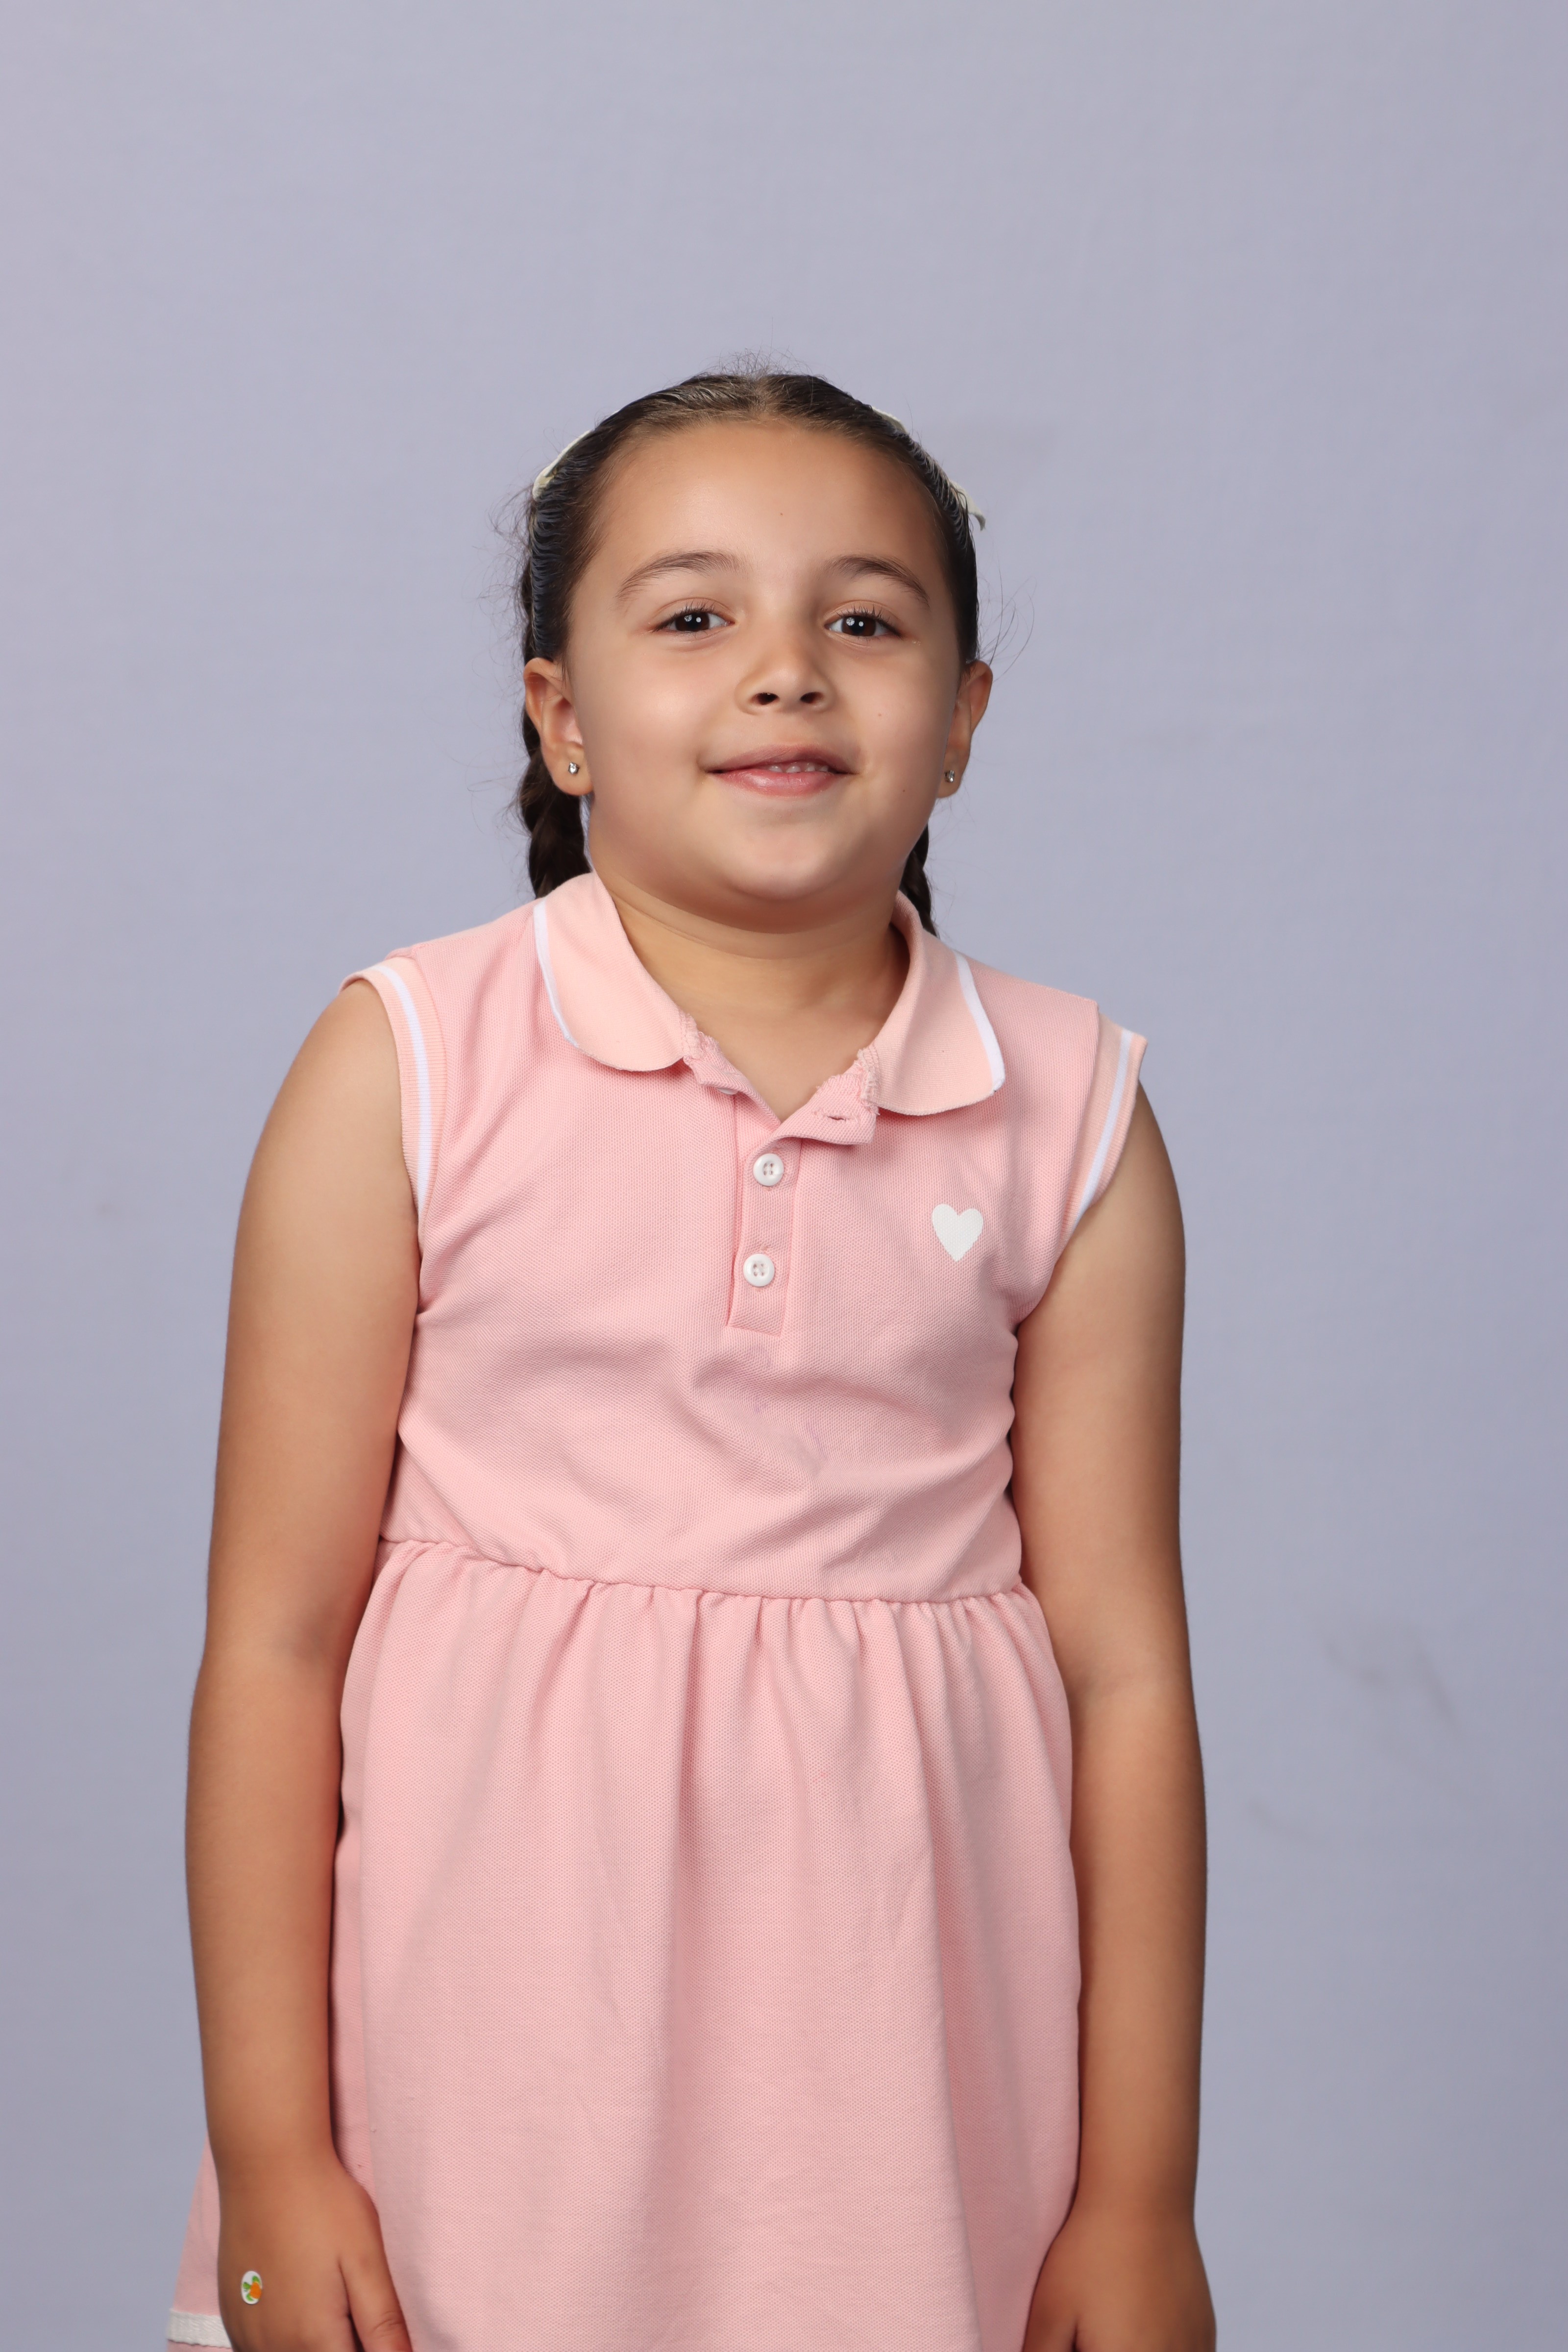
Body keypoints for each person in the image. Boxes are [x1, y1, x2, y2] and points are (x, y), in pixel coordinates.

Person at [167, 368, 1215, 2352]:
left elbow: (1124, 1677)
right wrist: (272, 2155)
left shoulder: (1067, 1111)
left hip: (905, 2073)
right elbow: (275, 1646)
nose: (785, 670)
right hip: (482, 2068)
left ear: (964, 720)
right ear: (559, 714)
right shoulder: (410, 1065)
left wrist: (1139, 2198)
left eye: (864, 619)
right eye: (694, 614)